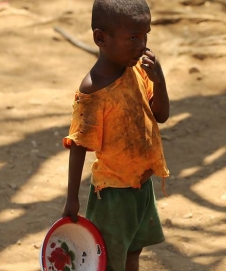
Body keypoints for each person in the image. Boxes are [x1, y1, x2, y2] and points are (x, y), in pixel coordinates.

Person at [60, 0, 170, 270]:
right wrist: (72, 197)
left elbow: (161, 115)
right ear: (101, 38)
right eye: (133, 37)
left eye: (145, 35)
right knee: (109, 260)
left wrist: (159, 79)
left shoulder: (138, 70)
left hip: (142, 187)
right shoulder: (93, 89)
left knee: (133, 252)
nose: (142, 44)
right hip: (112, 195)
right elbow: (79, 144)